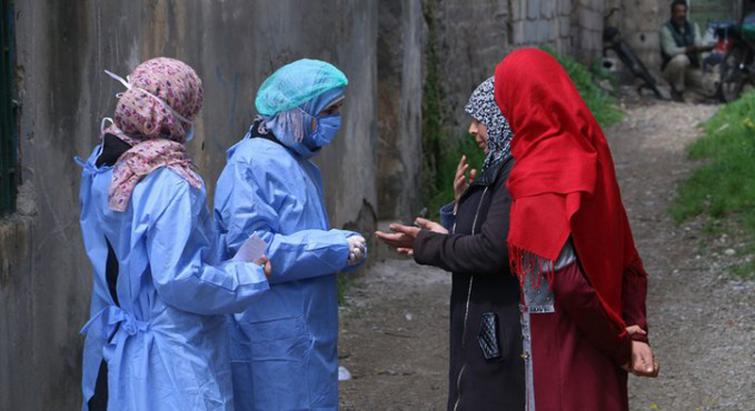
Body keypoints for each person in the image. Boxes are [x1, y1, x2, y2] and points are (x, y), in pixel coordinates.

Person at [77, 57, 272, 411]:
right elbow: (180, 279)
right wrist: (247, 276)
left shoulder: (102, 164)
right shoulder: (171, 181)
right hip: (169, 358)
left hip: (114, 341)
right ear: (180, 115)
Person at [493, 48, 658, 411]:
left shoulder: (539, 174)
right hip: (603, 337)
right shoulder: (589, 151)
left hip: (566, 348)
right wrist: (634, 330)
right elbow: (627, 257)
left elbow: (564, 280)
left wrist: (620, 343)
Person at [214, 58, 367, 410]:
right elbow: (253, 250)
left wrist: (344, 250)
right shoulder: (250, 164)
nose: (336, 121)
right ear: (298, 113)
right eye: (329, 111)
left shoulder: (299, 165)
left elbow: (304, 236)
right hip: (271, 334)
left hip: (307, 327)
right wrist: (335, 247)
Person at [377, 76, 525, 410]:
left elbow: (492, 250)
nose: (472, 130)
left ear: (502, 118)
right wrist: (456, 217)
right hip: (484, 317)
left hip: (497, 319)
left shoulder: (513, 172)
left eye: (480, 119)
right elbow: (486, 233)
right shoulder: (498, 164)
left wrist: (428, 245)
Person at [660, 0, 715, 101]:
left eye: (684, 11)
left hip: (690, 69)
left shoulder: (693, 26)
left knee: (710, 89)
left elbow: (698, 43)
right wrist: (688, 49)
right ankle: (678, 90)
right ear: (673, 13)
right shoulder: (666, 29)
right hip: (671, 69)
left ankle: (687, 94)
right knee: (681, 59)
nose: (682, 14)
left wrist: (705, 47)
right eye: (678, 12)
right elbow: (670, 51)